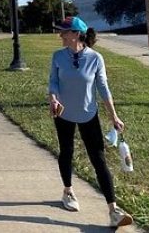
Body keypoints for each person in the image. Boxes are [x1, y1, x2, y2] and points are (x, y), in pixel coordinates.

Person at [48, 16, 133, 228]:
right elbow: (53, 81)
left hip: (88, 114)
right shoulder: (58, 56)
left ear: (76, 34)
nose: (60, 35)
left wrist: (114, 116)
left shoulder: (96, 58)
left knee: (99, 159)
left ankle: (113, 209)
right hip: (63, 114)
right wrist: (53, 98)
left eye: (64, 32)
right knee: (66, 151)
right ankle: (68, 192)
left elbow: (103, 88)